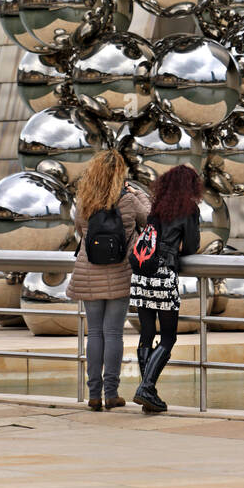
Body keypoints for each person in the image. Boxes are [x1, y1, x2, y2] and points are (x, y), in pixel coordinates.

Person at [67, 149, 149, 411]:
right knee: (113, 333)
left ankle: (93, 394)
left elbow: (80, 230)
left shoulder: (85, 200)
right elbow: (149, 219)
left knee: (95, 333)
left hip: (89, 272)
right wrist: (139, 194)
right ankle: (111, 393)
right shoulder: (127, 200)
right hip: (119, 272)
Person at [130, 163, 203, 414]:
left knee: (147, 333)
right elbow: (192, 246)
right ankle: (146, 387)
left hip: (141, 274)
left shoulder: (158, 207)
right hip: (163, 273)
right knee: (169, 336)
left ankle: (147, 390)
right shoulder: (189, 209)